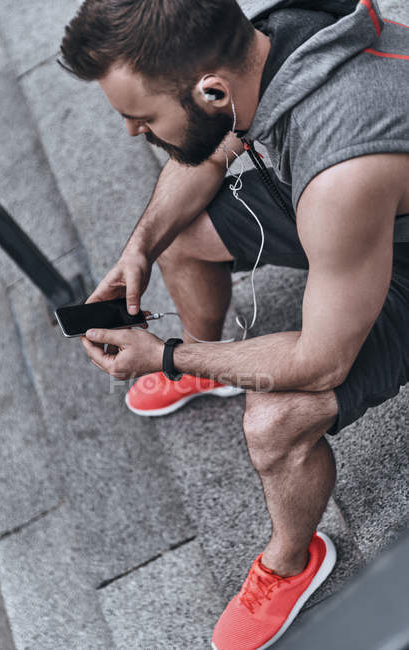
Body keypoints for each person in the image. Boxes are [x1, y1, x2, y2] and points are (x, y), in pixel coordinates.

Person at [60, 1, 409, 647]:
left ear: (211, 89)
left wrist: (167, 355)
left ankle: (289, 562)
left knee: (275, 419)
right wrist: (138, 251)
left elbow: (319, 361)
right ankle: (214, 353)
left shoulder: (342, 172)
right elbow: (207, 149)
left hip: (375, 232)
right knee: (181, 233)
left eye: (142, 116)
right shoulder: (273, 38)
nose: (134, 132)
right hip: (353, 213)